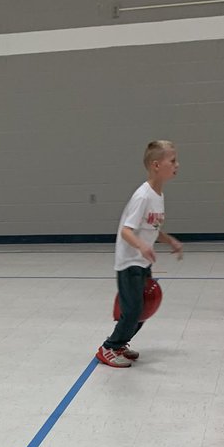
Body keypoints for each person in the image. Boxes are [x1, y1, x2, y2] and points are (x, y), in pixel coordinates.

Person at [96, 140, 183, 369]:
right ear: (156, 165)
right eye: (173, 161)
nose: (177, 165)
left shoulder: (158, 195)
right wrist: (142, 246)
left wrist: (169, 240)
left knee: (143, 309)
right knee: (133, 310)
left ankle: (120, 344)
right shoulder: (143, 196)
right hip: (129, 263)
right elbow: (126, 230)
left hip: (142, 262)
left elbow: (152, 227)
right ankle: (109, 347)